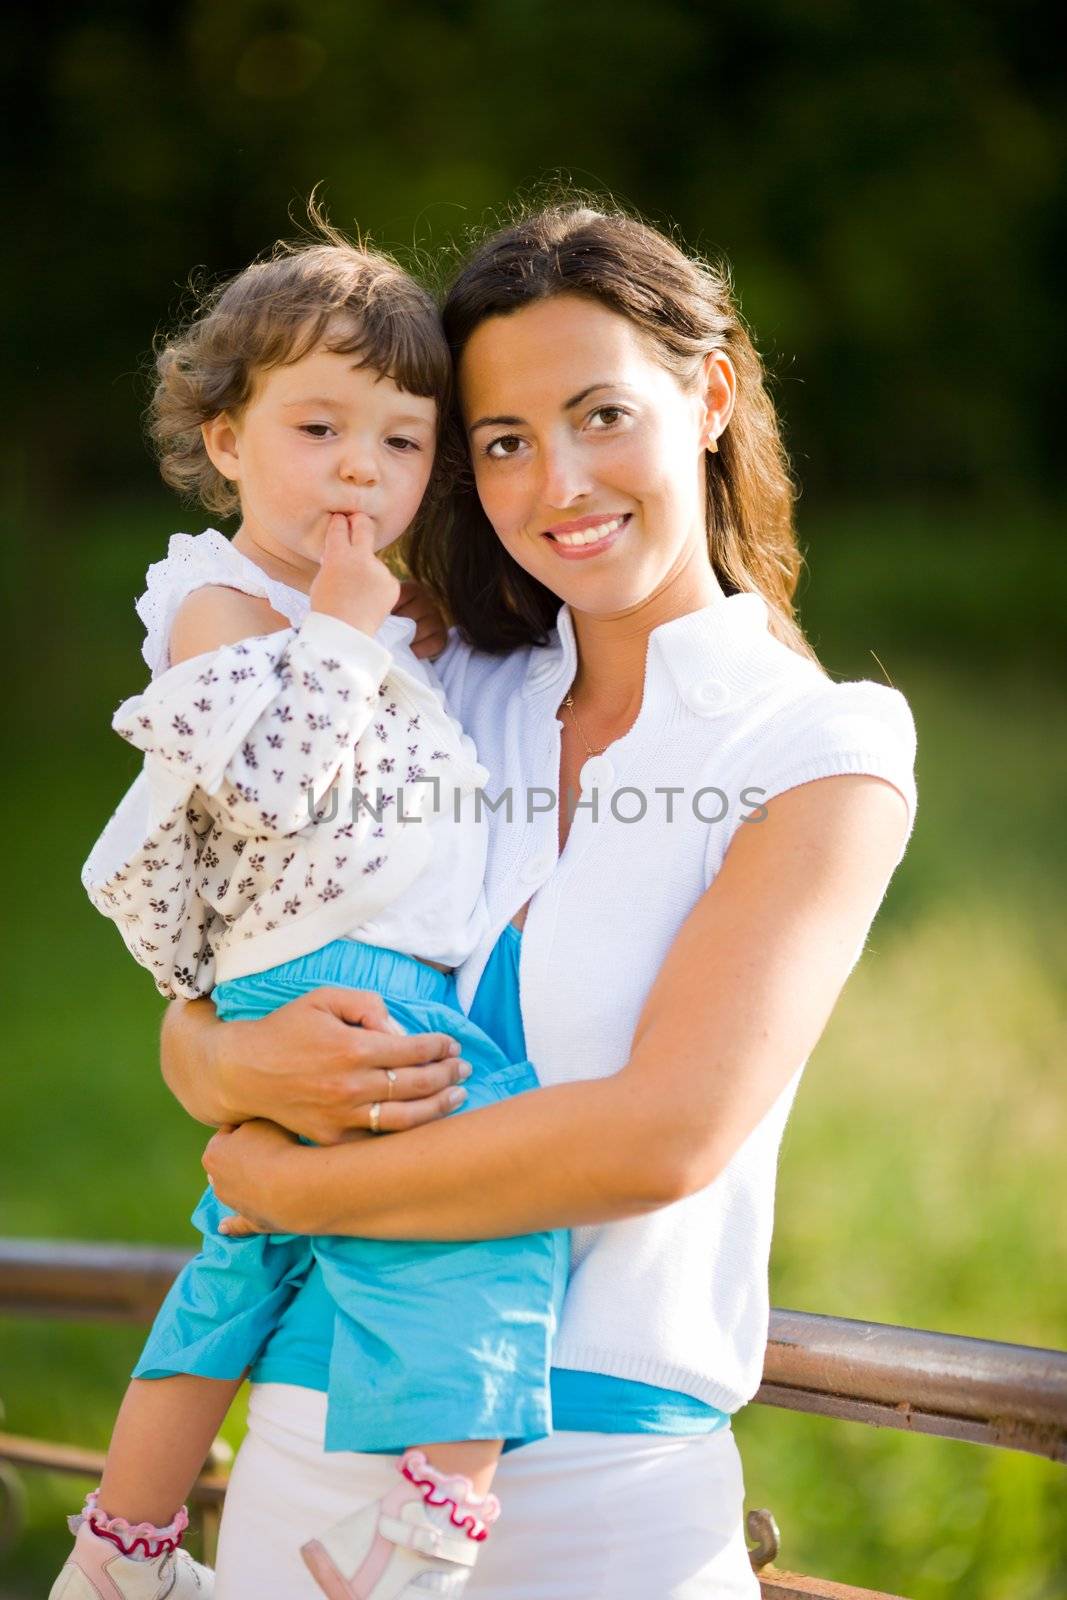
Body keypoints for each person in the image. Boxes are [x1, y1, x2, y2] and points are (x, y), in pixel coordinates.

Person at [162, 203, 917, 1600]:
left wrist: (286, 1178)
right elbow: (215, 989)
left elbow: (662, 1136)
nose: (557, 481)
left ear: (710, 394)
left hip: (604, 1504)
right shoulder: (425, 691)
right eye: (504, 442)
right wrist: (216, 1060)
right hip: (298, 1461)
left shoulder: (820, 747)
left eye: (598, 415)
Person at [57, 222, 573, 1600]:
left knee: (241, 1267)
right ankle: (430, 1525)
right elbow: (276, 794)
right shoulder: (218, 606)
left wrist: (378, 627)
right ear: (224, 440)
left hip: (337, 970)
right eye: (319, 427)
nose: (361, 466)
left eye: (402, 443)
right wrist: (346, 626)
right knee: (502, 1194)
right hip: (340, 975)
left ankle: (122, 1552)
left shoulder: (389, 617)